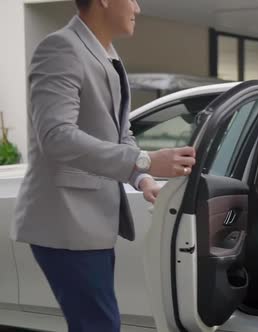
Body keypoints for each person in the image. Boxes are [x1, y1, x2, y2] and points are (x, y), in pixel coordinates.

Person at [11, 0, 196, 331]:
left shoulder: (104, 52)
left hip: (93, 223)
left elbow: (119, 133)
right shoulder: (61, 48)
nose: (137, 8)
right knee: (98, 325)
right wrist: (147, 159)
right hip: (66, 223)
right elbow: (56, 137)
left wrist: (143, 177)